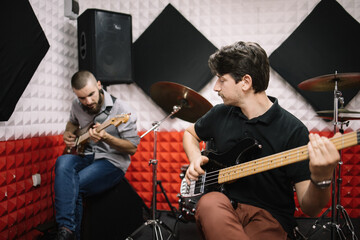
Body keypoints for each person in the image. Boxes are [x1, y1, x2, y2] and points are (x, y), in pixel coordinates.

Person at [183, 41, 340, 240]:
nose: (216, 88)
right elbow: (190, 134)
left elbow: (311, 209)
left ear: (246, 82)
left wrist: (322, 177)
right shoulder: (219, 114)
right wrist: (195, 158)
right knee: (208, 202)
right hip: (223, 205)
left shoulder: (293, 130)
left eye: (222, 80)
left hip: (270, 217)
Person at [54, 70, 140, 240]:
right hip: (85, 155)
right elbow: (72, 122)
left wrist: (106, 137)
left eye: (91, 95)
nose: (88, 101)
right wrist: (68, 132)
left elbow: (132, 148)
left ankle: (67, 233)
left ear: (99, 85)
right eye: (82, 98)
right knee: (62, 161)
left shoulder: (121, 110)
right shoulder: (76, 104)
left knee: (75, 185)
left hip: (111, 161)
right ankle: (67, 229)